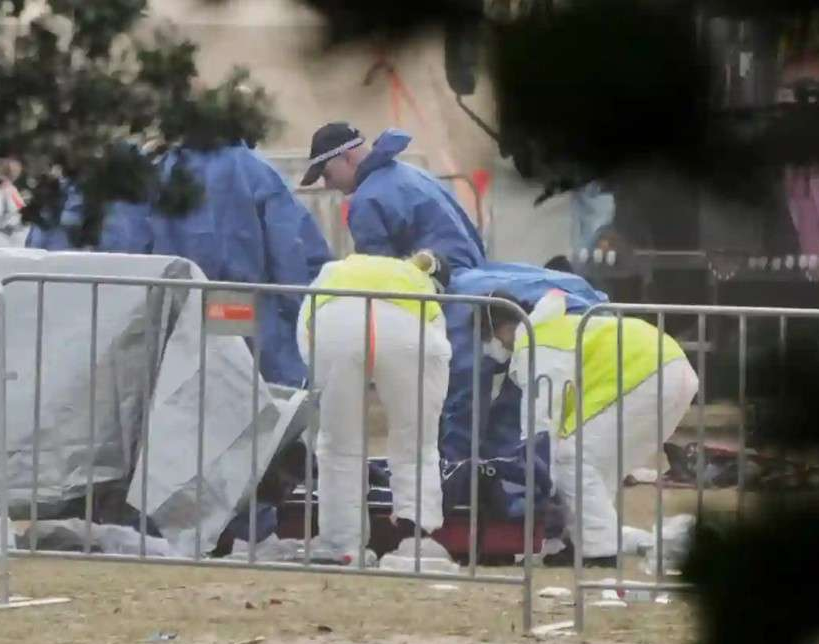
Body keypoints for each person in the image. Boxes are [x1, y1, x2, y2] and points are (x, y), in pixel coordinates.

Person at [483, 292, 699, 564]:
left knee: (570, 458)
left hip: (647, 374)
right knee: (597, 469)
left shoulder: (536, 342)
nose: (488, 346)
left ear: (503, 327)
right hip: (669, 372)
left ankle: (600, 550)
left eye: (486, 337)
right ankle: (581, 541)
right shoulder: (553, 329)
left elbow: (542, 414)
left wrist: (536, 469)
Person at [298, 252, 452, 565]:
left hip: (334, 321)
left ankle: (342, 544)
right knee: (417, 443)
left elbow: (307, 334)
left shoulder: (339, 268)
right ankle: (415, 538)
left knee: (339, 444)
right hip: (410, 328)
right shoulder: (421, 286)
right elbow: (434, 365)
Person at [149, 142, 331, 387]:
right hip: (240, 305)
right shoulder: (254, 169)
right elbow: (289, 248)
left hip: (177, 307)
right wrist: (298, 308)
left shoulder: (164, 168)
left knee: (196, 390)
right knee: (258, 390)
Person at [300, 122, 485, 271]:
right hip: (469, 277)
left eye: (327, 175)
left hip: (439, 290)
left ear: (348, 157)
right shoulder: (411, 173)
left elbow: (381, 278)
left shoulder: (367, 201)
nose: (328, 185)